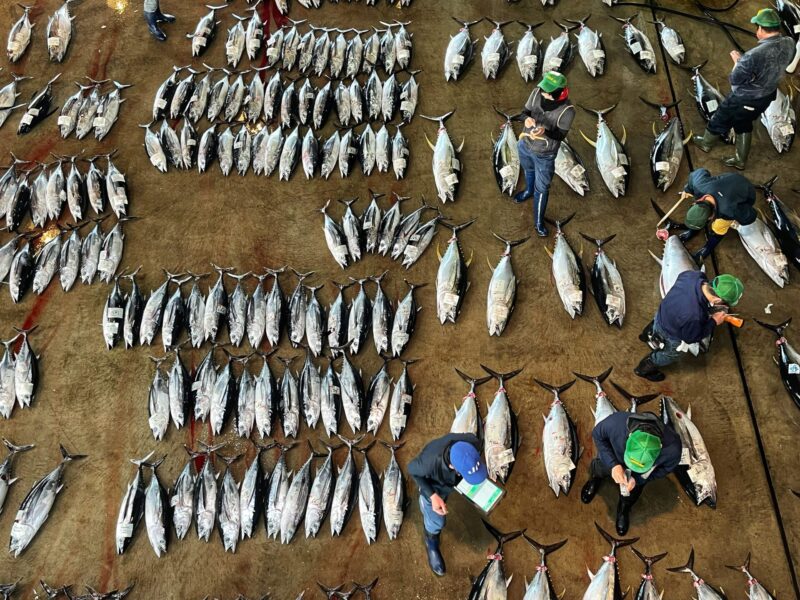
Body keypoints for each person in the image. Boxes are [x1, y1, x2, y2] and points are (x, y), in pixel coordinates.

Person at [693, 8, 795, 169]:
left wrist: (738, 62)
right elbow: (785, 63)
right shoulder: (789, 42)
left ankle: (705, 143)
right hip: (768, 95)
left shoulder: (753, 56)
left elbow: (735, 80)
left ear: (761, 29)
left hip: (745, 98)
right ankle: (740, 160)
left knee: (721, 117)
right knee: (744, 122)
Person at [581, 411, 682, 536]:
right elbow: (597, 434)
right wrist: (613, 465)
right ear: (630, 436)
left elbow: (665, 469)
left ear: (660, 447)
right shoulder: (615, 423)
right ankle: (595, 479)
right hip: (612, 459)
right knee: (599, 469)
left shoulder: (673, 449)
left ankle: (624, 507)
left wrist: (639, 479)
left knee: (631, 493)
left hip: (638, 477)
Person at [635, 272, 744, 382]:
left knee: (656, 324)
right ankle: (644, 369)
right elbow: (690, 337)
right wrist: (714, 321)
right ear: (717, 300)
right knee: (669, 355)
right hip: (671, 334)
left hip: (662, 314)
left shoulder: (693, 276)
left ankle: (645, 335)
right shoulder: (695, 316)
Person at [408, 433, 487, 577]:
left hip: (454, 481)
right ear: (451, 465)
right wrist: (432, 496)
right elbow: (412, 470)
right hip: (435, 487)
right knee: (437, 520)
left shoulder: (473, 442)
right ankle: (431, 541)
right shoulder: (427, 464)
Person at [515, 71, 575, 237]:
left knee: (542, 188)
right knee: (528, 170)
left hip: (545, 155)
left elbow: (560, 136)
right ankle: (528, 191)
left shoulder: (568, 111)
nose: (542, 92)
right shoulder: (536, 92)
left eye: (547, 91)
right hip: (525, 144)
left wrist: (545, 131)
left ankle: (538, 222)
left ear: (557, 94)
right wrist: (525, 119)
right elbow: (524, 112)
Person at [679, 168, 757, 262]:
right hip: (729, 178)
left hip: (746, 190)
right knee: (701, 217)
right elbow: (700, 172)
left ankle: (708, 248)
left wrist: (739, 216)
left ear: (711, 217)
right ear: (696, 202)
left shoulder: (729, 211)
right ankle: (693, 231)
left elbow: (751, 216)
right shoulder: (699, 186)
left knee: (719, 227)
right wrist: (688, 189)